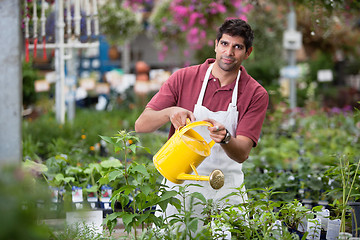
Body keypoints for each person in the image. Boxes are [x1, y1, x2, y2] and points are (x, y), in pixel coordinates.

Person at [135, 18, 268, 231]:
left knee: (228, 234)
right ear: (215, 45)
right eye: (224, 44)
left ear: (247, 53)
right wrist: (170, 111)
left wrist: (225, 138)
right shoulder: (184, 78)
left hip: (226, 187)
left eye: (237, 47)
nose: (229, 52)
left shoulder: (255, 93)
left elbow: (242, 153)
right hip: (180, 183)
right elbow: (141, 125)